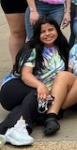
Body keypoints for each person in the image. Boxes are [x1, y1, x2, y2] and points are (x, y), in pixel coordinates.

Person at [0, 18, 69, 146]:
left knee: (35, 100)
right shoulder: (32, 49)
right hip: (13, 88)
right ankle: (21, 127)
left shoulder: (62, 48)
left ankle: (6, 129)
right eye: (43, 31)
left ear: (57, 30)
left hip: (33, 92)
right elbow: (25, 75)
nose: (47, 34)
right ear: (37, 34)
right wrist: (40, 85)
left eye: (51, 30)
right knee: (38, 94)